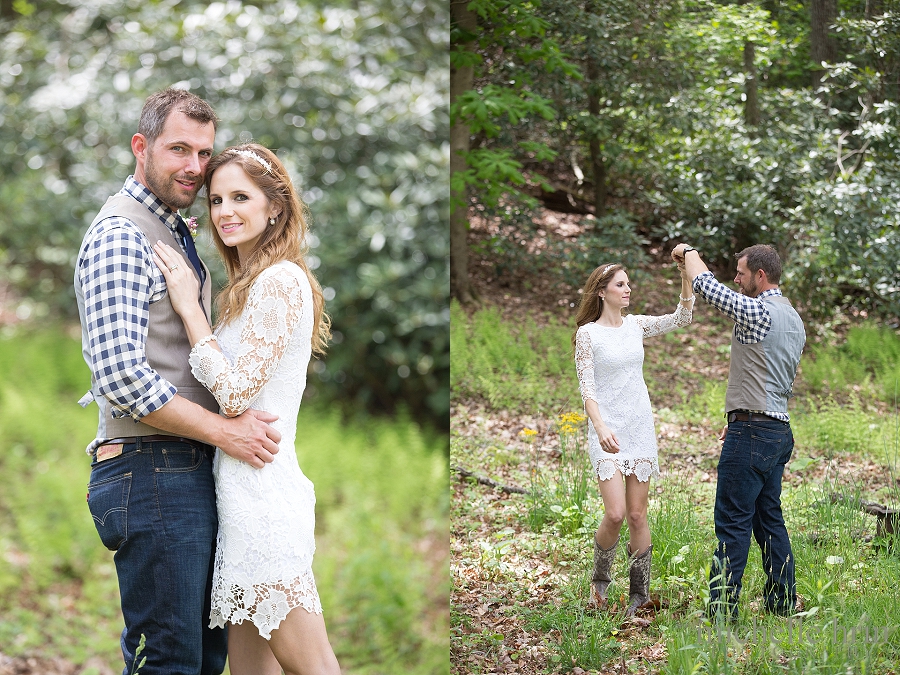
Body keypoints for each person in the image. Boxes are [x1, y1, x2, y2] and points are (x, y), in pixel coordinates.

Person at [75, 89, 283, 675]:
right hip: (151, 470)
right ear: (141, 147)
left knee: (198, 659)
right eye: (178, 150)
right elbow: (121, 377)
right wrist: (227, 433)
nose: (194, 166)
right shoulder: (122, 234)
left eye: (204, 152)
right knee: (170, 662)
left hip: (179, 472)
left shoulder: (171, 228)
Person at [151, 142, 341, 675]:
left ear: (274, 206)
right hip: (237, 495)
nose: (225, 211)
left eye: (240, 196)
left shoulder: (280, 281)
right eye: (215, 200)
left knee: (313, 666)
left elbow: (235, 395)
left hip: (263, 497)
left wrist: (190, 310)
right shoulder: (249, 285)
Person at [671, 243, 805, 622]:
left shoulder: (758, 309)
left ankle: (721, 613)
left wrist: (688, 251)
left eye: (742, 272)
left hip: (752, 433)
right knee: (770, 521)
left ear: (761, 276)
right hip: (778, 430)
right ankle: (781, 603)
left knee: (732, 523)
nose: (737, 278)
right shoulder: (794, 317)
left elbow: (707, 286)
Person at [572, 262, 694, 615]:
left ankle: (639, 595)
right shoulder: (588, 334)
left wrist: (686, 274)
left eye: (629, 284)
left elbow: (681, 317)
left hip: (639, 426)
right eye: (620, 285)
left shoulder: (636, 325)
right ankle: (599, 582)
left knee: (638, 515)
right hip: (607, 428)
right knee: (615, 514)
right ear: (602, 291)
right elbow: (587, 389)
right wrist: (600, 427)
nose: (628, 290)